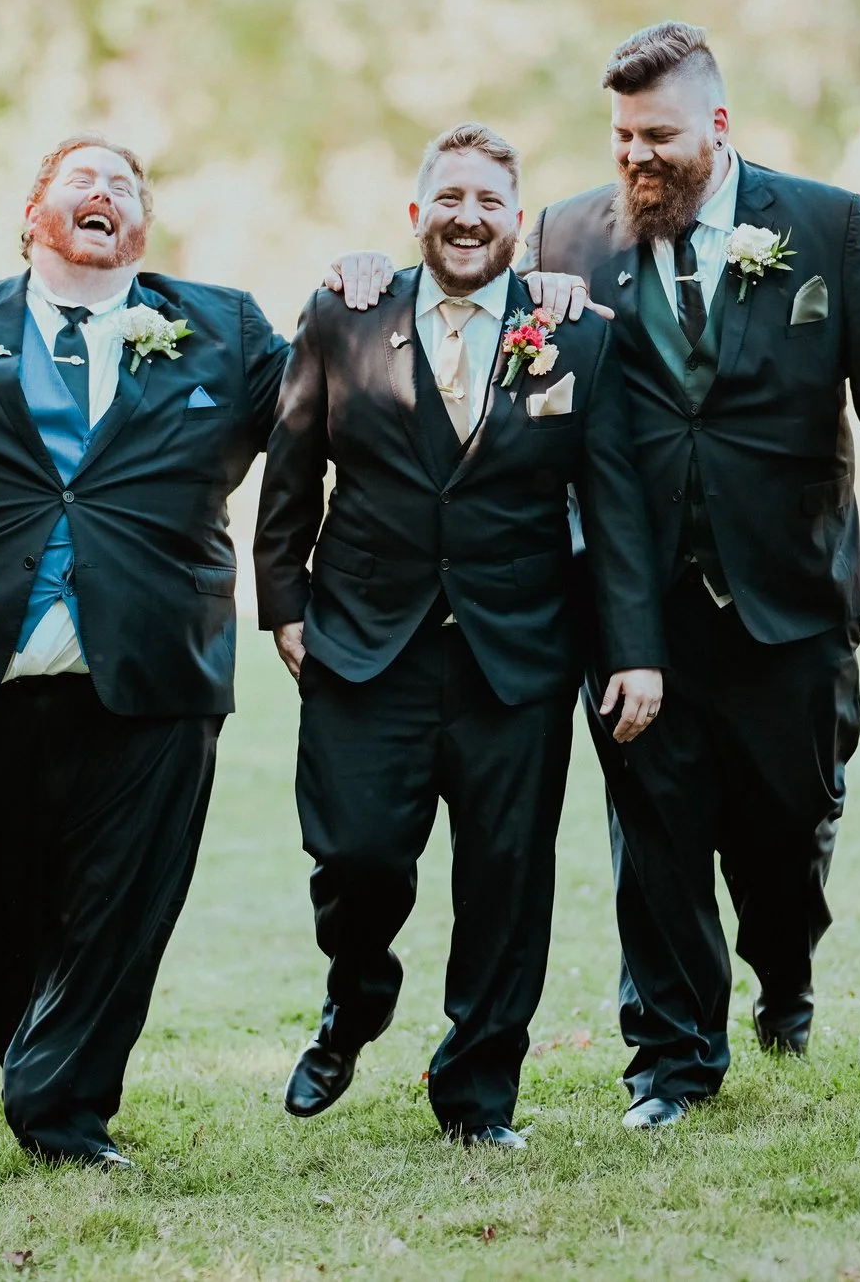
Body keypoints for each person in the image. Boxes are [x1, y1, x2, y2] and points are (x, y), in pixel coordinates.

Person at [328, 20, 860, 1129]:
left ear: (716, 125)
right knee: (653, 831)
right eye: (620, 135)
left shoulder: (827, 224)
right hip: (629, 599)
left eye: (658, 134)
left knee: (788, 823)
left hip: (790, 587)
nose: (637, 156)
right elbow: (463, 311)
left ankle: (784, 960)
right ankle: (670, 1058)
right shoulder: (564, 232)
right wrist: (367, 270)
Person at [0, 134, 289, 1169]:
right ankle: (41, 1057)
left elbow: (337, 411)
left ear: (142, 225)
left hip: (153, 673)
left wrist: (366, 296)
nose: (106, 193)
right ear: (33, 211)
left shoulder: (225, 327)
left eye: (125, 186)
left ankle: (61, 1106)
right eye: (83, 179)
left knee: (120, 905)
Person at [255, 124, 667, 1149]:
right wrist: (281, 601)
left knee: (505, 878)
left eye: (489, 200)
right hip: (361, 642)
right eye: (450, 197)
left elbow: (610, 503)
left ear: (517, 222)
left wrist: (634, 648)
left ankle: (477, 1094)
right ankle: (356, 997)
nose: (468, 215)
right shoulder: (342, 315)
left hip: (517, 651)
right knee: (352, 854)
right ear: (417, 213)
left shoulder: (575, 332)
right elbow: (291, 468)